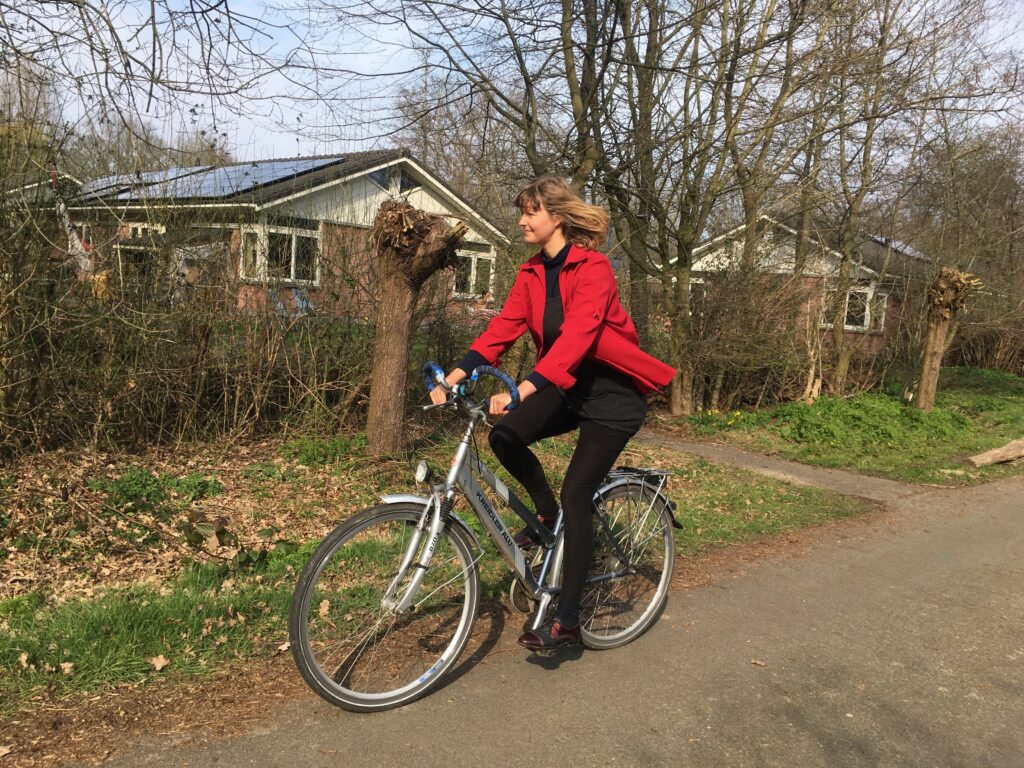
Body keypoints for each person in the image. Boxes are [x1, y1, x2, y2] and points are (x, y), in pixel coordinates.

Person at [429, 176, 675, 650]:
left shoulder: (596, 268)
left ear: (556, 218)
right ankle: (545, 517)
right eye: (521, 211)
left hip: (611, 396)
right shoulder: (531, 274)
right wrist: (454, 377)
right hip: (564, 386)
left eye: (530, 212)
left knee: (578, 493)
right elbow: (500, 331)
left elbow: (579, 337)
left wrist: (523, 388)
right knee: (504, 436)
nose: (521, 220)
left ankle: (567, 618)